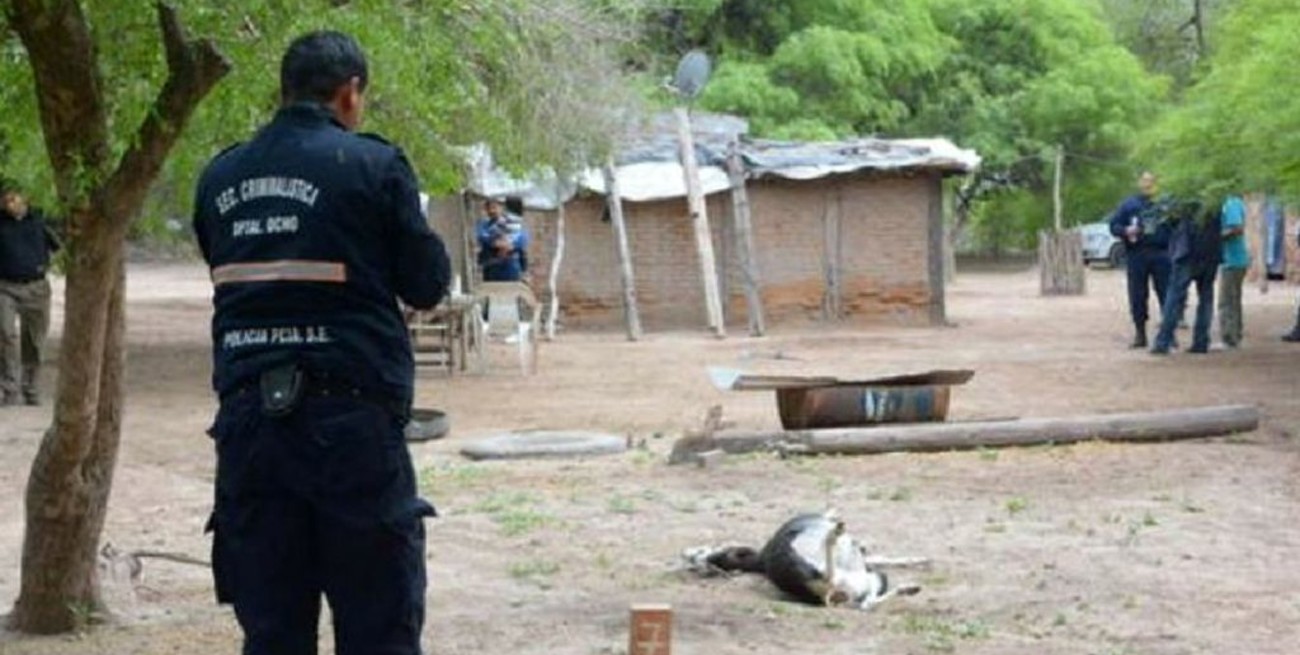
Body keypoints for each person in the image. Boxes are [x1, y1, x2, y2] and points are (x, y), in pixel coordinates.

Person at [192, 31, 449, 655]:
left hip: (250, 431)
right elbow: (427, 285)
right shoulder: (372, 165)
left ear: (283, 91)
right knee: (378, 628)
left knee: (273, 632)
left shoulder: (219, 175)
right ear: (350, 93)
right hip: (352, 430)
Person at [0, 180, 59, 406]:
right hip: (5, 287)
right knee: (5, 334)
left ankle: (31, 387)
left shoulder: (40, 221)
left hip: (36, 288)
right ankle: (9, 387)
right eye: (6, 200)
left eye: (14, 198)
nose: (10, 204)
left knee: (34, 340)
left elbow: (60, 246)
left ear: (26, 199)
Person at [1109, 171, 1174, 348]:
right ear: (1139, 183)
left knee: (1166, 293)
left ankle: (1168, 334)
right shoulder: (1129, 204)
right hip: (1137, 254)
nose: (1148, 184)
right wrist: (1126, 231)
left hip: (1161, 253)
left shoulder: (1166, 204)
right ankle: (1140, 334)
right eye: (1144, 180)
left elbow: (1177, 225)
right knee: (1137, 295)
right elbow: (1114, 226)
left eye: (1151, 181)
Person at [1151, 199, 1220, 355]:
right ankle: (1201, 341)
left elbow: (1167, 218)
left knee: (1174, 297)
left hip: (1187, 253)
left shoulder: (1184, 196)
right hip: (1210, 253)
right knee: (1205, 298)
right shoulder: (1215, 198)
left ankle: (1163, 341)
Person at [1217, 193, 1249, 347]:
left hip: (1233, 260)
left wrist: (1215, 237)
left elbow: (1237, 228)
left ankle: (1229, 337)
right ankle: (1235, 335)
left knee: (1227, 301)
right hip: (1233, 260)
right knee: (1233, 300)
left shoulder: (1231, 203)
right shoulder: (1230, 202)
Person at [475, 197, 529, 282]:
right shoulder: (484, 225)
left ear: (501, 208)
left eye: (494, 207)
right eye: (489, 208)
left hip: (511, 268)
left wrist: (511, 245)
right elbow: (482, 237)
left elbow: (522, 239)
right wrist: (496, 243)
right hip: (491, 267)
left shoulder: (514, 223)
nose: (492, 211)